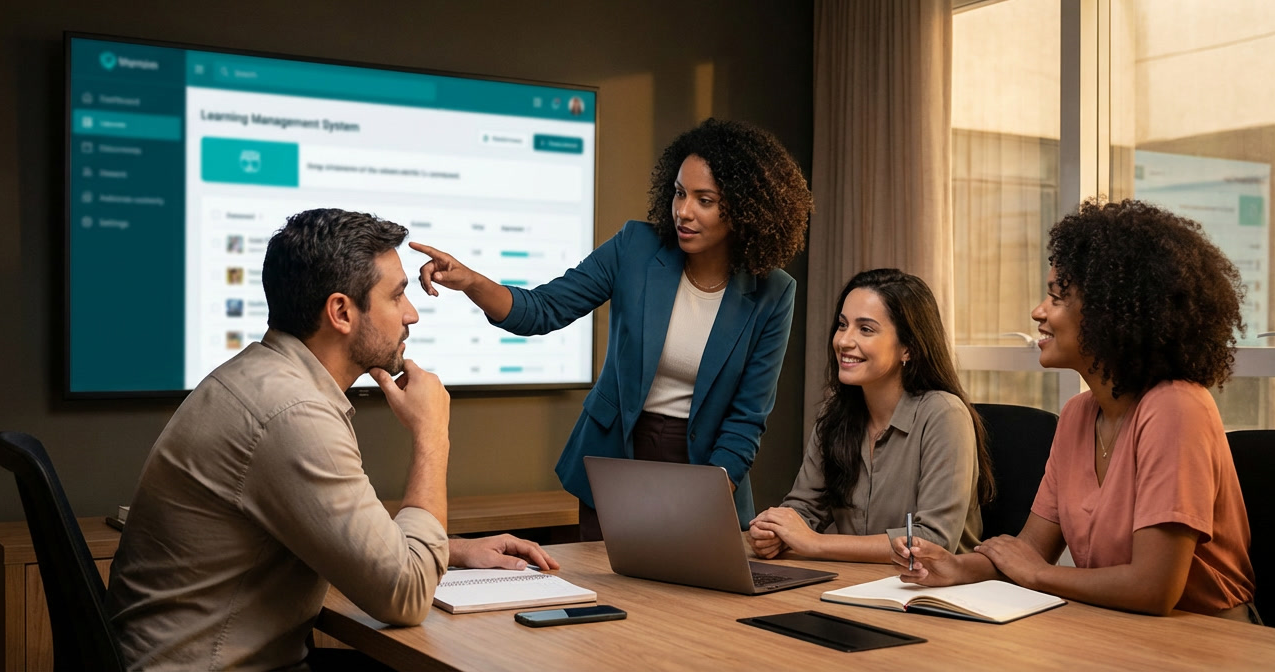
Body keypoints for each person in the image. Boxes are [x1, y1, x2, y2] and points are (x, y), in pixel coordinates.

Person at [104, 209, 557, 671]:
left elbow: (328, 528)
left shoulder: (264, 378)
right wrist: (432, 434)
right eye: (397, 295)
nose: (412, 314)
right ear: (341, 311)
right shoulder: (293, 413)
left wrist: (448, 548)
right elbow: (408, 595)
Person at [411, 118, 812, 538]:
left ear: (746, 209)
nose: (683, 211)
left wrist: (706, 497)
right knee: (609, 595)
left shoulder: (773, 292)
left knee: (687, 602)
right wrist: (472, 281)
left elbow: (747, 417)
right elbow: (543, 308)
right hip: (617, 453)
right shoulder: (636, 247)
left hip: (705, 469)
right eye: (679, 193)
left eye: (704, 200)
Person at [894, 199, 1259, 622]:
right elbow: (1030, 549)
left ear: (1112, 313)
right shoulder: (1077, 415)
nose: (1038, 312)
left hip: (1209, 641)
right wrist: (956, 567)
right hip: (1116, 628)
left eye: (1057, 297)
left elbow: (1154, 588)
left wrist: (1039, 575)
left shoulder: (1176, 407)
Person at [748, 269, 993, 563]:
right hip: (855, 586)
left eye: (865, 329)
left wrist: (816, 544)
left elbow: (933, 540)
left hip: (930, 596)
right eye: (842, 325)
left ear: (908, 348)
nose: (843, 341)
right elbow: (805, 511)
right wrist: (775, 532)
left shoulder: (944, 414)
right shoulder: (835, 412)